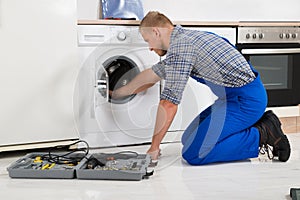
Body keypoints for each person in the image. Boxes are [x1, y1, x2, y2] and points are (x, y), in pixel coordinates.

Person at [111, 11, 291, 165]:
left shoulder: (181, 48)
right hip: (231, 99)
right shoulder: (185, 38)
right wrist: (117, 93)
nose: (149, 48)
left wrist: (154, 148)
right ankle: (250, 129)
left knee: (195, 153)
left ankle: (263, 133)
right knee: (187, 139)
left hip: (247, 101)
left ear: (156, 32)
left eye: (147, 40)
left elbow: (168, 104)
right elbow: (151, 75)